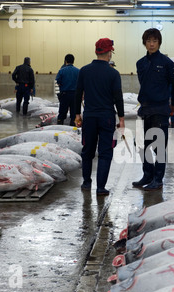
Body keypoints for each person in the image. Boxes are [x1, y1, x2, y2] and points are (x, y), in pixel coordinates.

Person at [132, 28, 174, 191]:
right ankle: (147, 175)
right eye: (148, 41)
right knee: (143, 145)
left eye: (154, 41)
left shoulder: (167, 63)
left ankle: (158, 179)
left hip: (160, 109)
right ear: (144, 43)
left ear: (159, 43)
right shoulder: (140, 63)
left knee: (159, 146)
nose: (151, 44)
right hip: (145, 109)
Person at [74, 38, 125, 196]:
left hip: (89, 116)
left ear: (96, 52)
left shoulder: (84, 70)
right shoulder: (113, 73)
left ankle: (86, 183)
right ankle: (101, 187)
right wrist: (121, 119)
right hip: (107, 117)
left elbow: (77, 94)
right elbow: (118, 97)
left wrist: (77, 114)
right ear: (109, 52)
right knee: (105, 152)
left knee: (87, 150)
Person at [55, 54, 79, 126]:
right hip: (75, 95)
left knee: (62, 113)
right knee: (74, 113)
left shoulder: (62, 71)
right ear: (73, 61)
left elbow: (58, 81)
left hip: (64, 95)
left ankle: (60, 126)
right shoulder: (78, 71)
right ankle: (72, 128)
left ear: (65, 61)